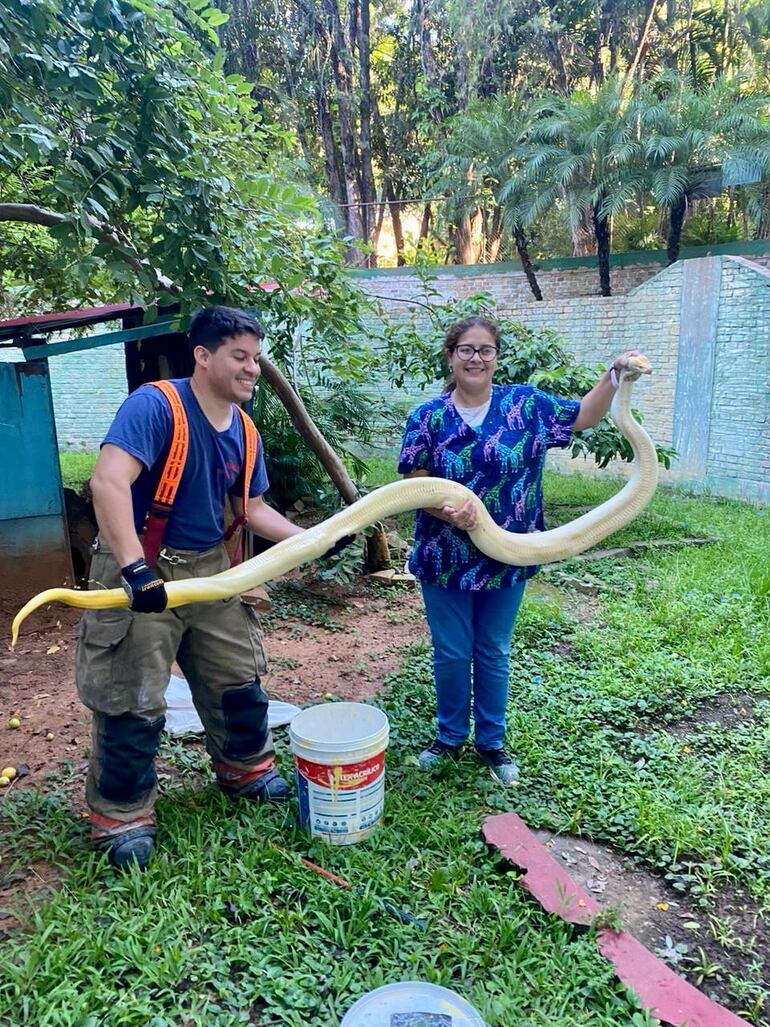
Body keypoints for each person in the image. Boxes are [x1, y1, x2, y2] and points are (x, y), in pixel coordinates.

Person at [77, 305, 308, 869]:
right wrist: (134, 568)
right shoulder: (155, 406)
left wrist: (315, 539)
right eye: (239, 356)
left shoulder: (245, 431)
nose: (252, 369)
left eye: (256, 358)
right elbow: (108, 481)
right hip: (143, 564)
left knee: (238, 677)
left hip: (212, 570)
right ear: (203, 356)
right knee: (131, 694)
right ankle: (122, 815)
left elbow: (253, 510)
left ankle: (245, 769)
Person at [398, 315, 641, 785]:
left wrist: (613, 375)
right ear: (451, 356)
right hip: (444, 555)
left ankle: (491, 743)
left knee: (492, 649)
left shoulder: (526, 405)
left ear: (496, 357)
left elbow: (583, 416)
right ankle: (449, 737)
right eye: (466, 349)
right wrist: (450, 512)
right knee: (451, 651)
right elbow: (413, 482)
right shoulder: (427, 417)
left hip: (508, 554)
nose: (476, 358)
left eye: (485, 350)